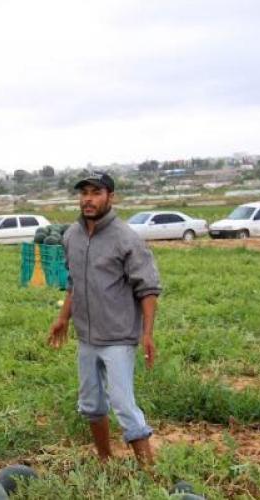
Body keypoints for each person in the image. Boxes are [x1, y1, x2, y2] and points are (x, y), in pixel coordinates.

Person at [47, 171, 161, 467]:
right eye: (84, 193)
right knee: (91, 404)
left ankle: (149, 472)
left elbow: (148, 289)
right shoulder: (71, 235)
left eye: (96, 192)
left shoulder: (126, 238)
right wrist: (63, 318)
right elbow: (74, 282)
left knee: (123, 404)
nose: (88, 199)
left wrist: (147, 334)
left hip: (119, 336)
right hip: (87, 337)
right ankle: (105, 461)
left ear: (110, 196)